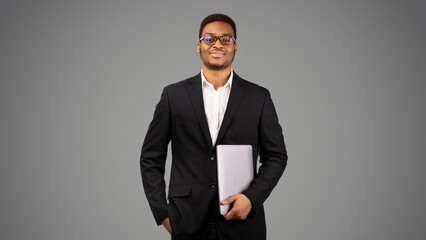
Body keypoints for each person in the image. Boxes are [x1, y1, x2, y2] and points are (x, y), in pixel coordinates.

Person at [140, 13, 288, 240]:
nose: (217, 44)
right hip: (186, 219)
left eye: (226, 39)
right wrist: (162, 213)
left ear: (235, 47)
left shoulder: (259, 97)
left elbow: (277, 156)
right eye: (209, 39)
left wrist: (251, 198)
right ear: (198, 46)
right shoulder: (173, 95)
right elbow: (151, 157)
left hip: (242, 221)